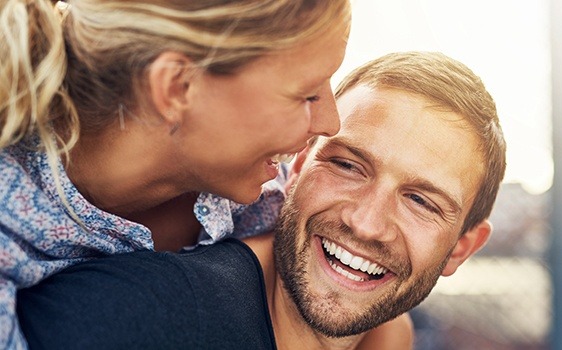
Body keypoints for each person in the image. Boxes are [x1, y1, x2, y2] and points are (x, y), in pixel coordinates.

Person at [17, 51, 507, 349]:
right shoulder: (135, 317)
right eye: (346, 165)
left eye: (421, 201)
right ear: (294, 165)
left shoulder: (386, 332)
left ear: (462, 247)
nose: (366, 223)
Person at [0, 0, 351, 348]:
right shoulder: (9, 224)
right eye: (307, 95)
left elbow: (374, 311)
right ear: (177, 86)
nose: (330, 123)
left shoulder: (255, 190)